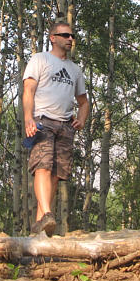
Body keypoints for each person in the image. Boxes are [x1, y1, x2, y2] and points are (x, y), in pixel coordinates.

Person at [22, 22, 89, 237]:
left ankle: (40, 225)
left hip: (65, 126)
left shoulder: (75, 69)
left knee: (56, 175)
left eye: (72, 36)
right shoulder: (40, 59)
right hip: (43, 121)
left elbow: (84, 101)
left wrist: (81, 119)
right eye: (65, 35)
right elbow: (28, 89)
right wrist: (28, 119)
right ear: (53, 37)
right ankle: (48, 214)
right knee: (42, 166)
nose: (70, 39)